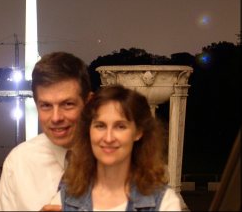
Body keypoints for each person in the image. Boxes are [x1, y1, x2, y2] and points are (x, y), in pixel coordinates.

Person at [50, 84, 181, 211]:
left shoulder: (164, 202)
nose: (108, 138)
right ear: (88, 130)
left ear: (138, 132)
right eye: (100, 126)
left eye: (120, 126)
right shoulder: (66, 197)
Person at [0, 52, 92, 211]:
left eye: (67, 104)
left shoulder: (121, 159)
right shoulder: (18, 163)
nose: (56, 118)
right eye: (46, 106)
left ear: (88, 103)